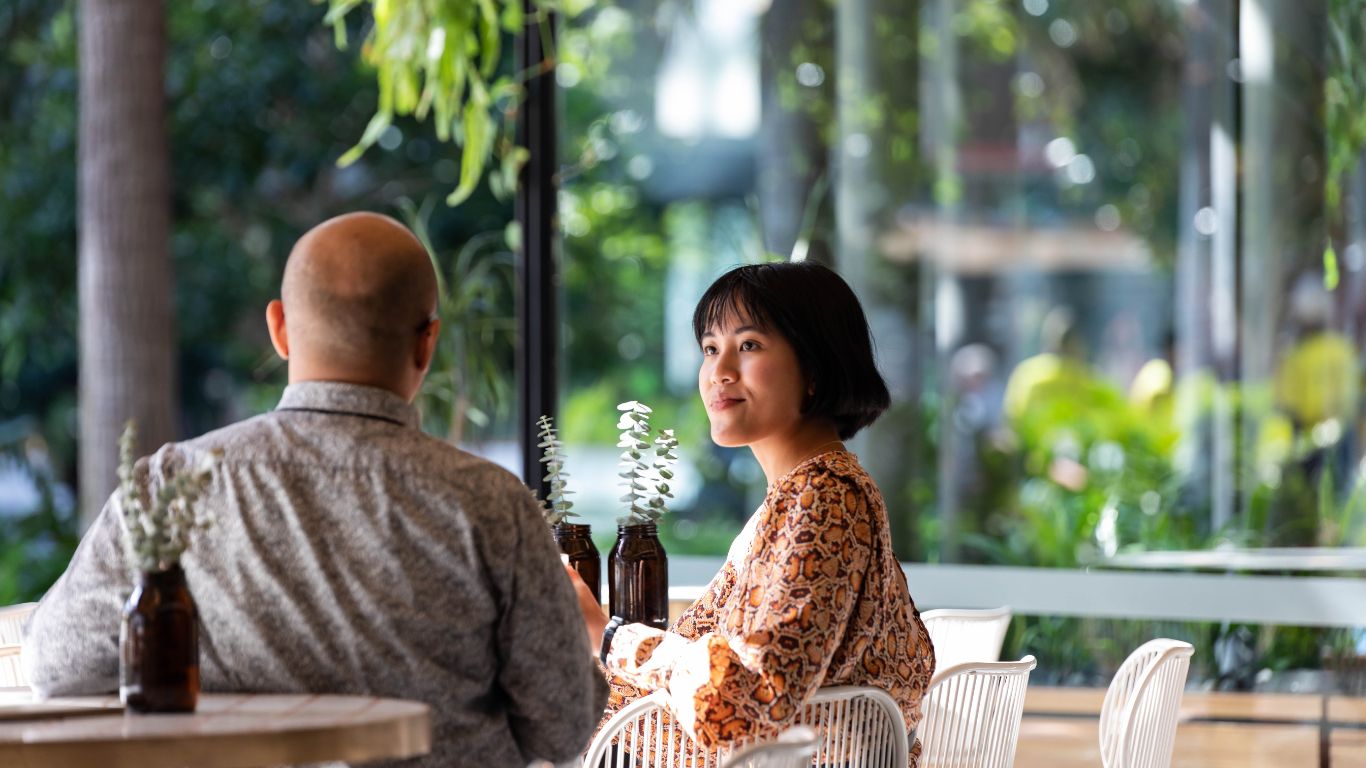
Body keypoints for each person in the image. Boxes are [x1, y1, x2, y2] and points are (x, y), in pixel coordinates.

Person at [23, 212, 607, 767]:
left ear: (279, 328)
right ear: (427, 342)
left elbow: (55, 662)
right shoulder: (492, 505)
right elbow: (560, 727)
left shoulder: (172, 485)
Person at [565, 262, 935, 763]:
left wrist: (604, 633)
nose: (719, 371)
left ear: (814, 368)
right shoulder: (812, 494)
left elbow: (744, 705)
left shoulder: (822, 499)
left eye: (750, 346)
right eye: (711, 349)